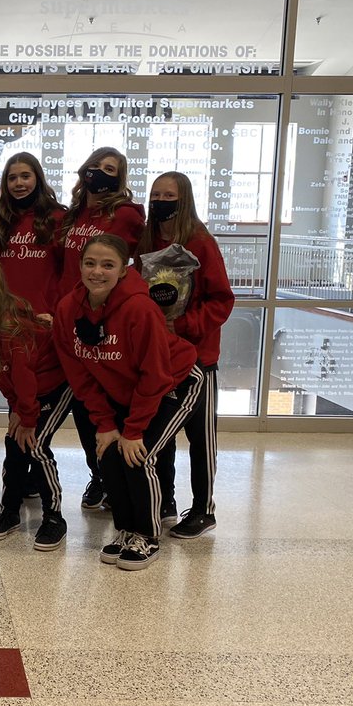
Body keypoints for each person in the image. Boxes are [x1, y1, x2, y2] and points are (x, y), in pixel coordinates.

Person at [52, 234, 204, 570]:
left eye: (108, 265)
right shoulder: (67, 309)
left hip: (174, 382)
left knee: (139, 454)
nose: (97, 272)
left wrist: (133, 430)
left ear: (123, 271)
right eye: (90, 263)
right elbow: (80, 374)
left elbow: (155, 375)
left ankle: (147, 535)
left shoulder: (139, 308)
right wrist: (106, 425)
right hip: (123, 389)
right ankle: (125, 529)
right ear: (79, 266)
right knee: (107, 454)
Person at [138, 171, 235, 538]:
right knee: (159, 431)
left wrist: (181, 327)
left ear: (184, 199)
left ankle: (203, 509)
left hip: (198, 357)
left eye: (168, 194)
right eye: (155, 194)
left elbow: (222, 300)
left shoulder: (200, 242)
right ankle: (165, 500)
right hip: (158, 357)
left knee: (200, 437)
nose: (160, 200)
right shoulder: (147, 239)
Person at [0, 262, 73, 551]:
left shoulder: (10, 326)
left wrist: (27, 416)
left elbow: (24, 374)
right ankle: (10, 511)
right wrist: (17, 408)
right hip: (25, 397)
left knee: (34, 445)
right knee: (14, 446)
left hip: (54, 386)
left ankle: (54, 517)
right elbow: (3, 373)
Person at [58, 146, 146, 512]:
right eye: (95, 166)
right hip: (74, 314)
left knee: (109, 399)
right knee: (83, 405)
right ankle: (99, 474)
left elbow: (134, 261)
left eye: (110, 169)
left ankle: (118, 480)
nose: (101, 173)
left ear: (120, 177)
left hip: (109, 319)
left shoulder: (125, 214)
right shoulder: (74, 214)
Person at [0, 151, 65, 319]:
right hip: (4, 316)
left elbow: (66, 270)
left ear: (37, 178)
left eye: (25, 176)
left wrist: (57, 310)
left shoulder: (57, 218)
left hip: (44, 316)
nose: (18, 183)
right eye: (12, 178)